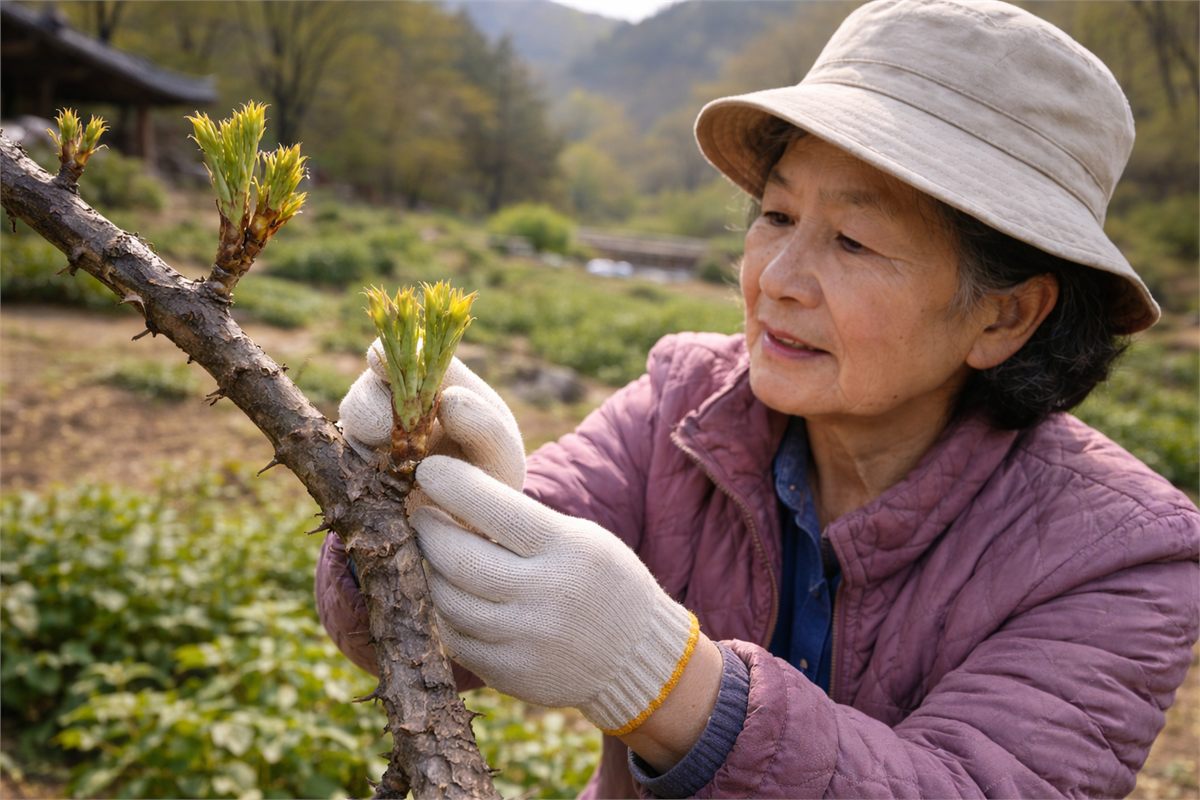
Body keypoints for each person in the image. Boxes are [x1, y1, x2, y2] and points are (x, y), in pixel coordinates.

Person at [317, 0, 1200, 796]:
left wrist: (668, 682)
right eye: (776, 218)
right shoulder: (685, 405)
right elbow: (402, 629)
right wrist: (422, 497)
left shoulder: (1122, 558)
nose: (776, 279)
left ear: (1005, 315)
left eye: (852, 241)